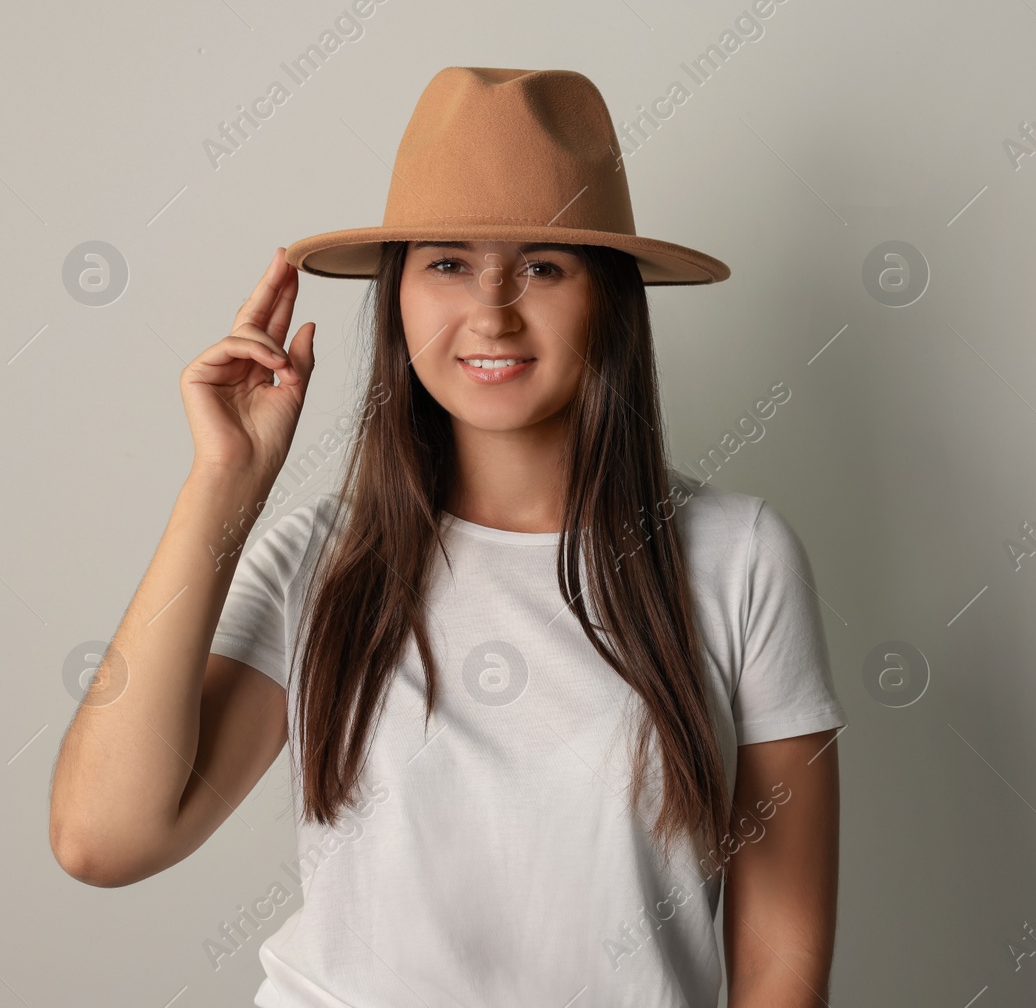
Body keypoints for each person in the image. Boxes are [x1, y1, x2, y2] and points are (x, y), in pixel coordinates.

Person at [48, 67, 846, 1007]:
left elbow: (781, 944)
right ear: (398, 296)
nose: (493, 308)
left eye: (544, 265)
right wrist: (221, 489)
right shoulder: (323, 556)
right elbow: (103, 838)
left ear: (612, 300)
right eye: (448, 263)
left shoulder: (739, 555)